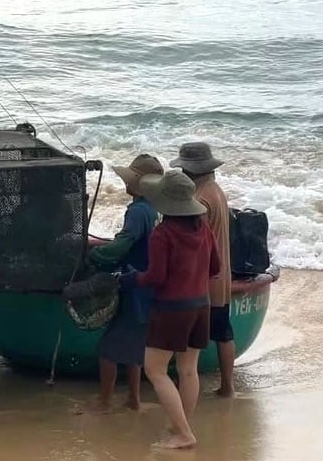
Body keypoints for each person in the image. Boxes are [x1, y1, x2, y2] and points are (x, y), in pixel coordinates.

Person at [121, 169, 220, 449]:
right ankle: (181, 426)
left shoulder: (162, 234)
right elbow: (216, 268)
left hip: (171, 309)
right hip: (201, 306)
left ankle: (184, 433)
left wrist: (130, 279)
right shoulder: (204, 229)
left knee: (155, 370)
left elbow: (155, 278)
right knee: (189, 370)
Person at [86, 154, 163, 412]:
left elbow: (123, 243)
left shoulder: (138, 211)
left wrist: (95, 256)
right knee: (134, 346)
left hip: (135, 286)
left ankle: (105, 402)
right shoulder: (154, 210)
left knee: (107, 349)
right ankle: (134, 398)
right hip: (149, 288)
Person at [170, 142, 234, 397]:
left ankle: (185, 385)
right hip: (222, 275)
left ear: (190, 171)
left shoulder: (200, 199)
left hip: (205, 279)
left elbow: (195, 241)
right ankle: (227, 386)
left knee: (188, 339)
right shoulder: (216, 190)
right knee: (223, 332)